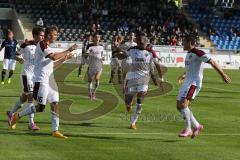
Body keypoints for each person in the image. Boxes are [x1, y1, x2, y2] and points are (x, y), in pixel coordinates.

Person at [10, 26, 77, 139]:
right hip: (40, 81)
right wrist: (68, 51)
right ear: (49, 35)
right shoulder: (41, 45)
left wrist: (64, 58)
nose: (56, 36)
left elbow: (52, 65)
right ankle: (18, 115)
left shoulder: (47, 47)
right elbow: (53, 57)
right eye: (55, 34)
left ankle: (55, 130)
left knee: (55, 103)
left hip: (50, 80)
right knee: (41, 107)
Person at [177, 35, 231, 138]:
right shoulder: (189, 54)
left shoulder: (198, 52)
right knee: (179, 106)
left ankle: (188, 129)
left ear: (189, 42)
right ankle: (197, 126)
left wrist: (223, 75)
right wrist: (184, 75)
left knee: (184, 104)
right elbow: (193, 68)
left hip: (194, 83)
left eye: (184, 41)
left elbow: (212, 62)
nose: (182, 44)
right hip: (187, 81)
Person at [7, 27, 44, 131]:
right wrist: (18, 58)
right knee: (31, 96)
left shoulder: (43, 46)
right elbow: (14, 54)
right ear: (35, 36)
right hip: (26, 74)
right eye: (41, 35)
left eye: (43, 35)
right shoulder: (26, 45)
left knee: (24, 97)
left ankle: (11, 113)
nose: (42, 37)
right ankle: (31, 123)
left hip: (36, 76)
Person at [121, 32, 159, 130]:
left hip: (144, 78)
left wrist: (155, 80)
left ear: (146, 42)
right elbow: (123, 56)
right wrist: (117, 52)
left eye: (141, 42)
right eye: (138, 42)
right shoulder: (132, 50)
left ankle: (133, 123)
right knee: (128, 101)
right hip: (132, 77)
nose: (139, 44)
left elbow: (153, 67)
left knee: (140, 100)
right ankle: (128, 104)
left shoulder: (150, 52)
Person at [87, 32, 104, 100]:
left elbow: (102, 55)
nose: (97, 38)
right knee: (90, 81)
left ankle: (94, 92)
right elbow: (87, 54)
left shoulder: (101, 47)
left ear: (100, 39)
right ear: (93, 38)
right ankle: (90, 93)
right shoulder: (90, 47)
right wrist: (89, 53)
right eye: (96, 37)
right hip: (91, 65)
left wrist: (102, 58)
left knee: (97, 79)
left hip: (99, 66)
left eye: (98, 37)